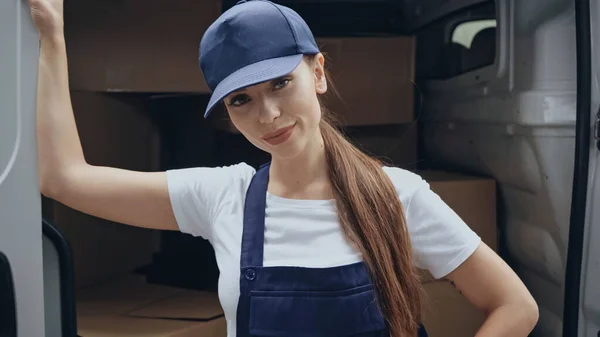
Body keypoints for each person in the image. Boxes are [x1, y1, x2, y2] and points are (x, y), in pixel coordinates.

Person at [27, 0, 539, 336]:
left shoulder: (395, 196)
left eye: (279, 84)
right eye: (241, 100)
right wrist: (53, 40)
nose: (267, 115)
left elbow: (516, 306)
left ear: (317, 71)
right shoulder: (222, 195)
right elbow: (64, 178)